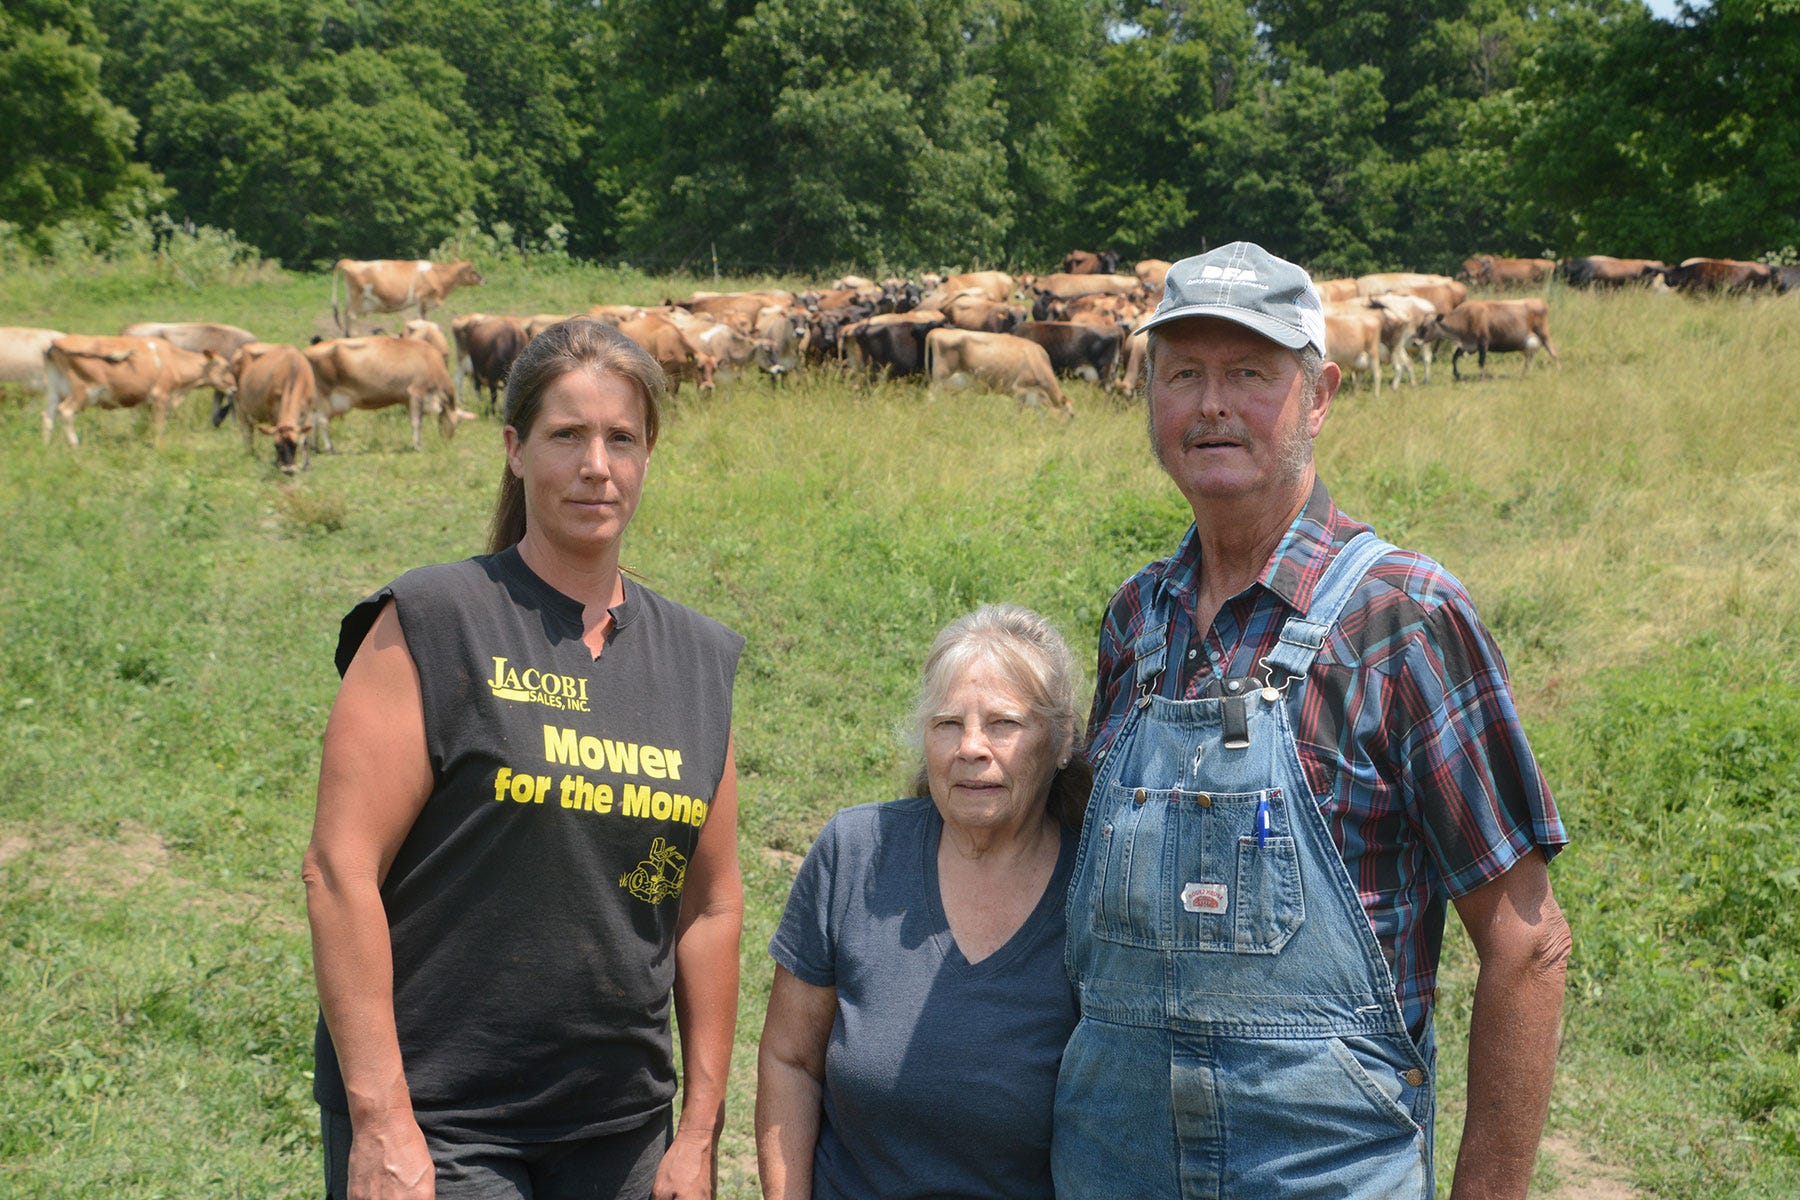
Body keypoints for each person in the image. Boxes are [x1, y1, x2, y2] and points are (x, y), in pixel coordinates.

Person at [1054, 243, 1572, 1199]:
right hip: (1109, 1166)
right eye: (1183, 374)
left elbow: (1528, 943)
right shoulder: (1138, 618)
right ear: (1150, 396)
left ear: (1320, 395)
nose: (1211, 404)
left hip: (1324, 1175)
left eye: (1250, 373)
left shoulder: (1400, 617)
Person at [303, 319, 745, 1200]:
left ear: (649, 453)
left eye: (622, 438)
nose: (597, 466)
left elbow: (710, 903)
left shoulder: (698, 658)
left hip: (620, 1126)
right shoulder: (436, 620)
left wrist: (698, 1133)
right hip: (444, 1121)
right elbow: (338, 870)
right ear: (513, 448)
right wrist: (382, 1117)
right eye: (567, 436)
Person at [755, 604, 1090, 1200]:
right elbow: (790, 1060)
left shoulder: (1096, 891)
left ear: (1062, 739)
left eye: (1004, 724)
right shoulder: (855, 854)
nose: (971, 748)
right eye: (947, 725)